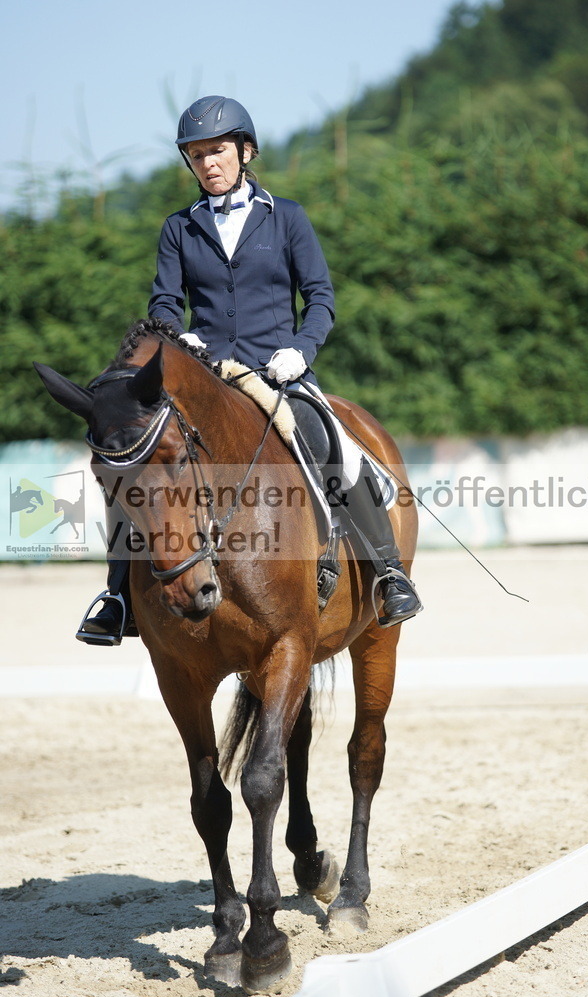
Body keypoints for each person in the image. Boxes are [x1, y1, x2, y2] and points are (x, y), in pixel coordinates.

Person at [79, 96, 422, 644]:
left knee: (335, 441)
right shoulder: (179, 228)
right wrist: (176, 335)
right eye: (196, 155)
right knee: (140, 465)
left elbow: (321, 297)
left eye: (217, 151)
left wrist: (303, 350)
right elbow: (164, 302)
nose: (208, 163)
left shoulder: (286, 216)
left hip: (279, 371)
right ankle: (117, 595)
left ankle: (388, 572)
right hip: (208, 377)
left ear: (244, 150)